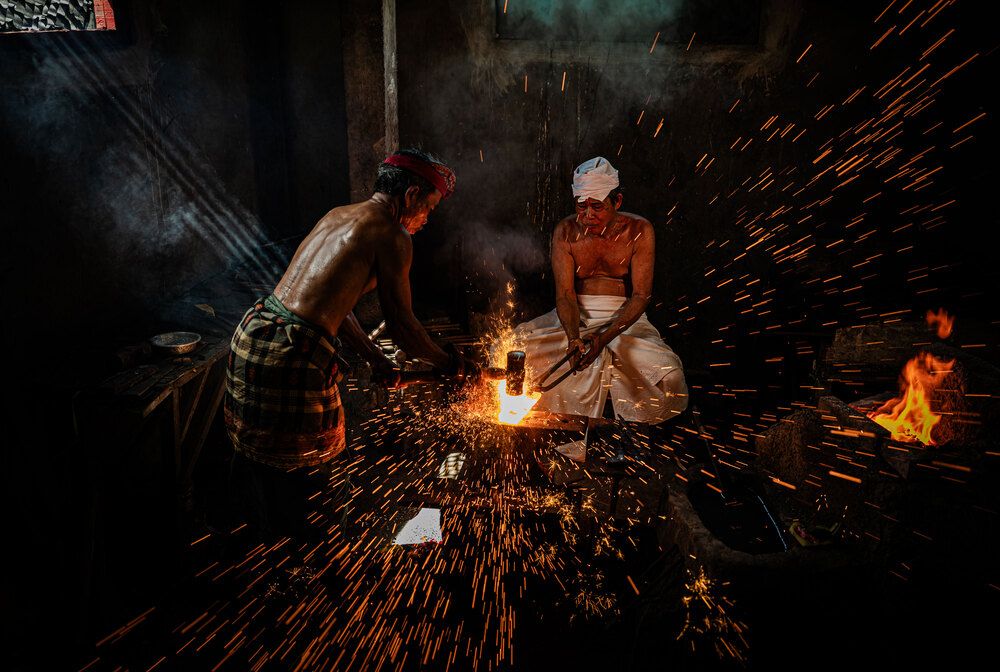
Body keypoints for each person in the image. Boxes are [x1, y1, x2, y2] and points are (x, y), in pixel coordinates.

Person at [225, 148, 478, 537]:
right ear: (410, 195)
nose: (427, 219)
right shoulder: (393, 235)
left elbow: (335, 305)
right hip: (293, 357)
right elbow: (404, 328)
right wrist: (450, 363)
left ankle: (271, 550)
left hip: (256, 335)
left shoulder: (337, 215)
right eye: (428, 208)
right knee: (310, 481)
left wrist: (374, 357)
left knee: (268, 474)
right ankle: (311, 560)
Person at [511, 156, 688, 426]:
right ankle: (556, 430)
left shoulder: (639, 230)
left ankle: (631, 436)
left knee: (669, 377)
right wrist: (573, 339)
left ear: (616, 202)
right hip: (574, 316)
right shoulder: (565, 231)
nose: (588, 216)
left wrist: (603, 338)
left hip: (625, 319)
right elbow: (566, 295)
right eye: (581, 207)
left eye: (597, 207)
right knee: (515, 350)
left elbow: (641, 295)